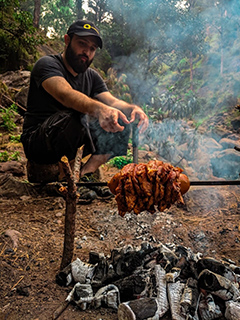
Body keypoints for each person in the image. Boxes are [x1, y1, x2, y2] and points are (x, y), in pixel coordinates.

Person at [21, 20, 149, 200]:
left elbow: (111, 101)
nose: (86, 52)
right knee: (78, 113)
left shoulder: (92, 76)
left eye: (92, 48)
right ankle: (64, 180)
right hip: (39, 142)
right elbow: (66, 95)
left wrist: (133, 109)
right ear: (67, 40)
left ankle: (83, 175)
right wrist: (99, 109)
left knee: (121, 120)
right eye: (82, 44)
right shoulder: (47, 64)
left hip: (71, 134)